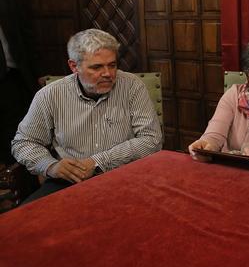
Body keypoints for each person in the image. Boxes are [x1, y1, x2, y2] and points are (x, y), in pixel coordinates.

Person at [12, 29, 163, 203]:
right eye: (97, 67)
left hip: (126, 175)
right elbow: (23, 142)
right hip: (71, 181)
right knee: (27, 217)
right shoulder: (49, 95)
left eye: (112, 65)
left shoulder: (132, 86)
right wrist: (51, 166)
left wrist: (96, 162)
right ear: (74, 66)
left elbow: (151, 139)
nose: (108, 73)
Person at [0, 0, 36, 169]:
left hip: (14, 72)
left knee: (16, 128)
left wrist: (36, 70)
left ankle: (17, 174)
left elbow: (24, 31)